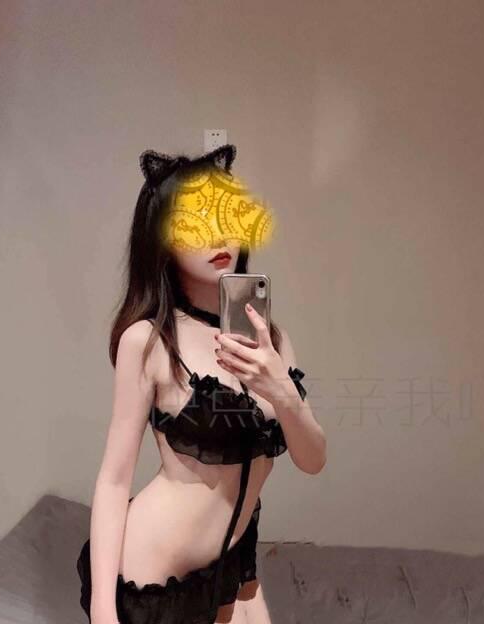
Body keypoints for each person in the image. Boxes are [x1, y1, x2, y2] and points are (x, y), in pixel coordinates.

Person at [76, 144, 327, 624]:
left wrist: (280, 388)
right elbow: (113, 479)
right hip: (153, 574)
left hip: (230, 559)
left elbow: (313, 460)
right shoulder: (149, 340)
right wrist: (104, 610)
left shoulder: (271, 340)